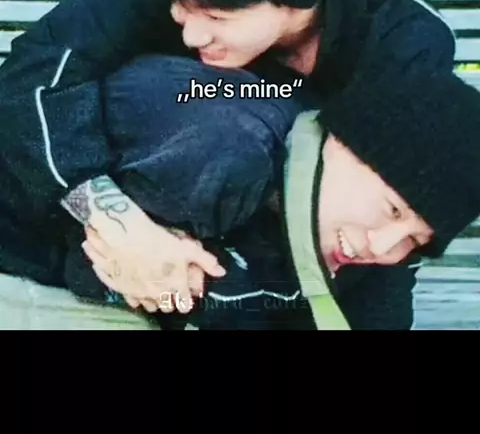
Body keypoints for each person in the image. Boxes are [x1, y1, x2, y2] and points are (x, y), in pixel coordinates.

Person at [0, 0, 457, 308]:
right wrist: (115, 223)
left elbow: (406, 214)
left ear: (297, 0)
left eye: (217, 16)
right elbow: (35, 73)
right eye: (180, 8)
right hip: (89, 214)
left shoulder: (398, 43)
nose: (192, 33)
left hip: (255, 269)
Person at [1, 55, 478, 330]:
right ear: (343, 144)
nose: (382, 245)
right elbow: (99, 269)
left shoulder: (367, 249)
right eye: (392, 209)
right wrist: (180, 273)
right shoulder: (226, 153)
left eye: (416, 239)